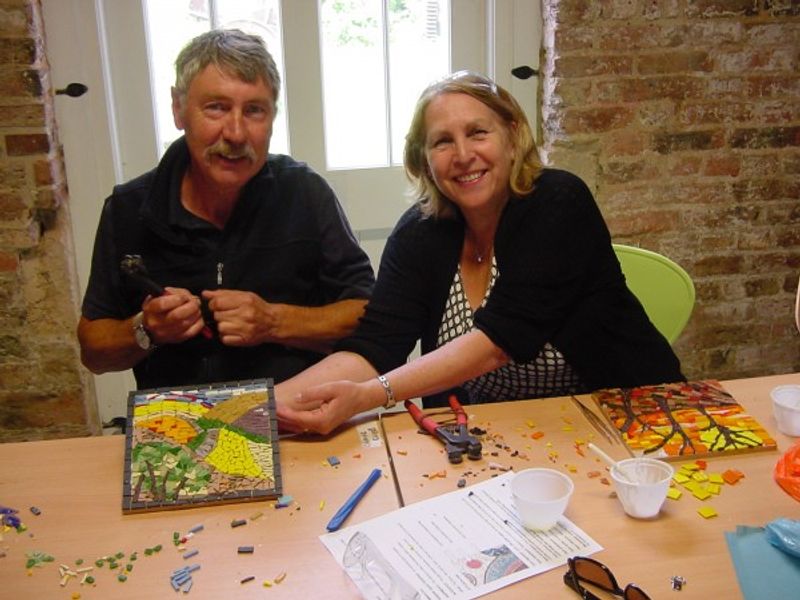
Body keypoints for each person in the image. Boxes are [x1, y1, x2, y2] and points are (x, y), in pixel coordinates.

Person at [275, 71, 683, 434]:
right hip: (496, 437)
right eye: (442, 142)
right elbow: (376, 346)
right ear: (424, 160)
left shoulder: (558, 202)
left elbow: (499, 341)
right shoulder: (419, 233)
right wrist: (260, 407)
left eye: (478, 133)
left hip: (624, 419)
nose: (463, 155)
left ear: (511, 137)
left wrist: (370, 395)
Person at [78, 29, 374, 390]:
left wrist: (274, 322)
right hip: (177, 428)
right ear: (178, 108)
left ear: (272, 116)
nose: (235, 133)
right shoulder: (128, 208)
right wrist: (146, 329)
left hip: (297, 419)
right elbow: (93, 351)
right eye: (216, 107)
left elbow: (367, 315)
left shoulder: (305, 192)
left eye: (254, 111)